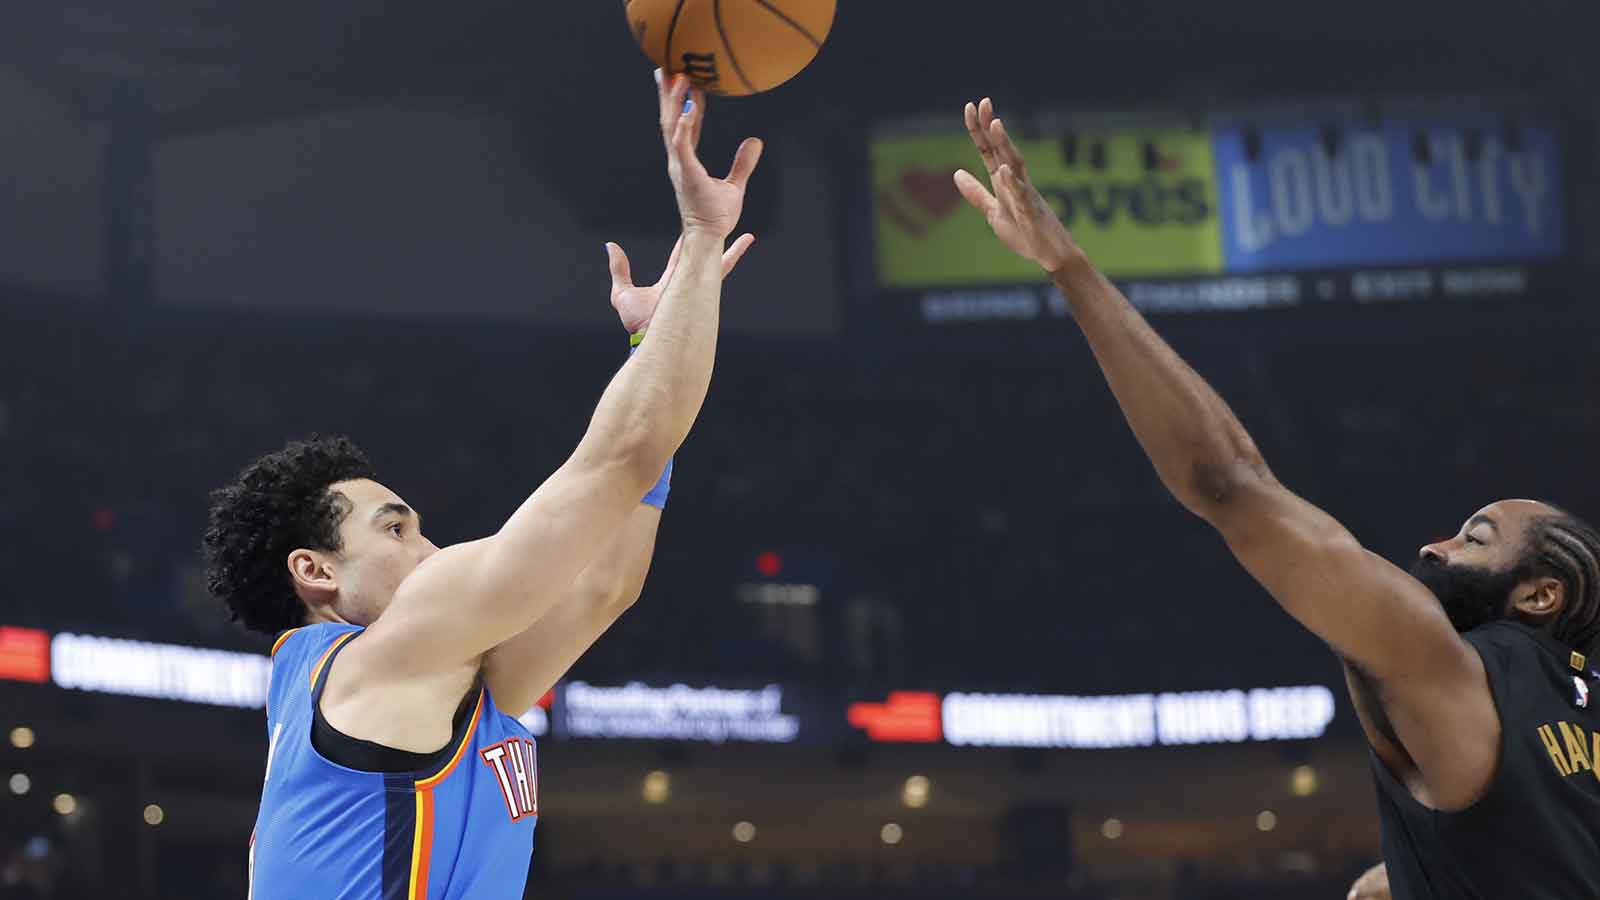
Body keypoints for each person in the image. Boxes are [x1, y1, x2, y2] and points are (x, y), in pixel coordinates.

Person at [954, 97, 1600, 899]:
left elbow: (1228, 484)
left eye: (1475, 537)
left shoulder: (1454, 668)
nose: (1433, 547)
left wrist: (1071, 269)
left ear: (1541, 592)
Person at [205, 70, 763, 899]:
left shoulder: (432, 679)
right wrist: (698, 238)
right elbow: (622, 456)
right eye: (393, 530)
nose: (428, 548)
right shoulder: (375, 666)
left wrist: (660, 338)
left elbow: (608, 581)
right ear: (315, 571)